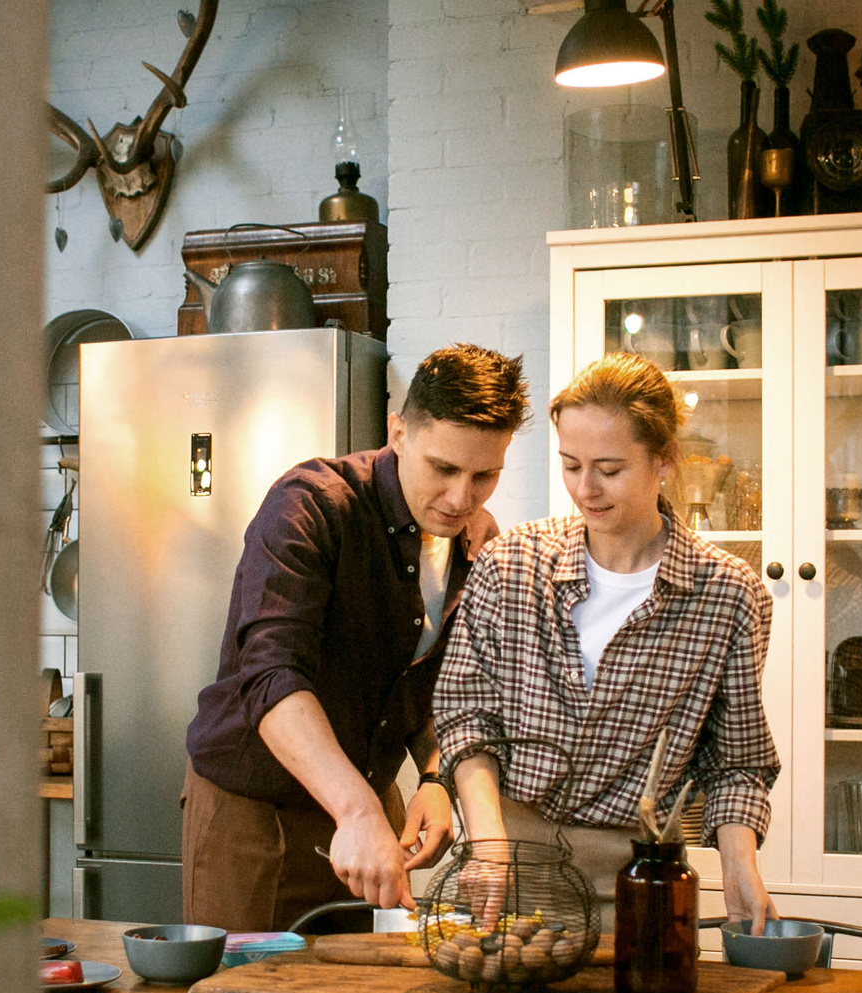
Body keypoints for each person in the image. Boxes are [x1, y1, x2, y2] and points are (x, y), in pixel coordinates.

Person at [181, 343, 530, 934]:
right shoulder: (310, 505)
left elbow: (440, 685)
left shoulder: (475, 537)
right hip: (258, 815)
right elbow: (271, 673)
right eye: (443, 469)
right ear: (398, 432)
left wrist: (435, 777)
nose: (460, 498)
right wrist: (356, 807)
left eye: (484, 476)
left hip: (370, 814)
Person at [434, 352, 782, 932]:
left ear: (664, 460)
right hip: (506, 865)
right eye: (571, 465)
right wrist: (488, 839)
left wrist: (741, 864)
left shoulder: (727, 595)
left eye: (610, 469)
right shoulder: (512, 563)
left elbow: (736, 762)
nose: (585, 489)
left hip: (640, 883)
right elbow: (465, 717)